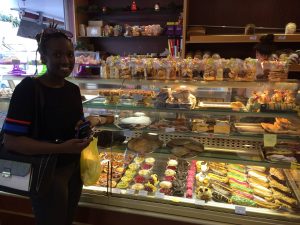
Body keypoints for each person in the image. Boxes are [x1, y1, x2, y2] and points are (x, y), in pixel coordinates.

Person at [2, 23, 92, 225]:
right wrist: (61, 148)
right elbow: (12, 142)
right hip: (45, 173)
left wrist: (84, 129)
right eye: (57, 55)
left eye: (70, 54)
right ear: (43, 57)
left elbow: (73, 126)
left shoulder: (72, 90)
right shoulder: (29, 89)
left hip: (73, 170)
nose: (66, 60)